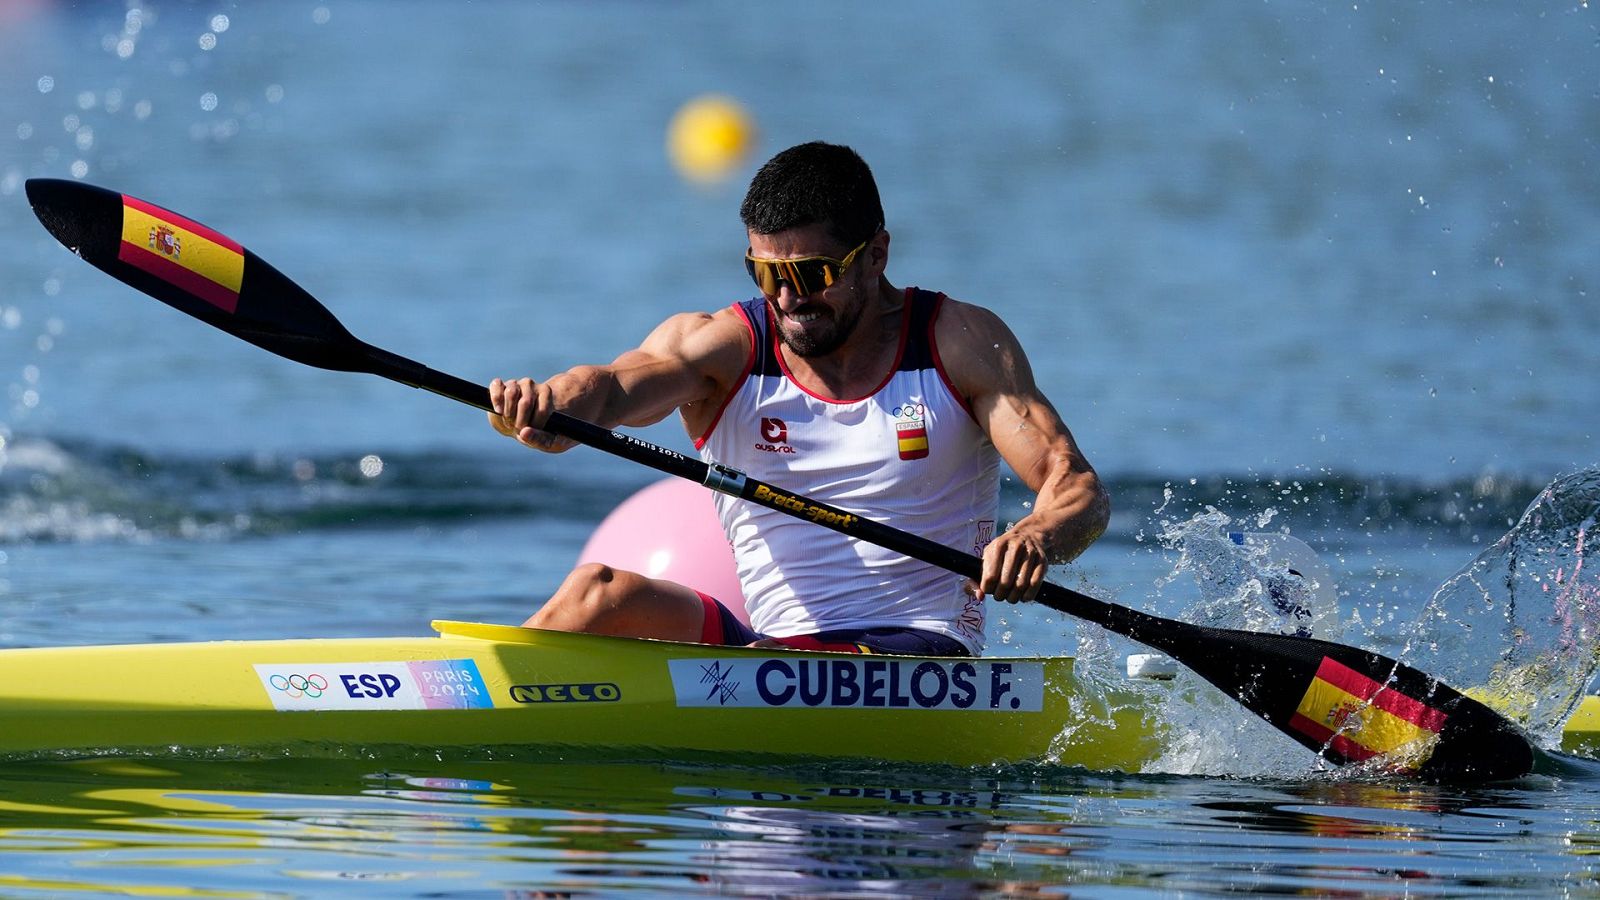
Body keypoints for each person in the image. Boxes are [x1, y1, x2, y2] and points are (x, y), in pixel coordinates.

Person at [490, 141, 1108, 657]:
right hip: (774, 650)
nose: (786, 298)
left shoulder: (957, 342)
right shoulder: (722, 349)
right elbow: (613, 386)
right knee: (598, 591)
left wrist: (1035, 536)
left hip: (924, 649)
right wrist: (546, 404)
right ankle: (470, 701)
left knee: (779, 662)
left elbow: (1075, 485)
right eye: (765, 274)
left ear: (876, 256)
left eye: (811, 275)